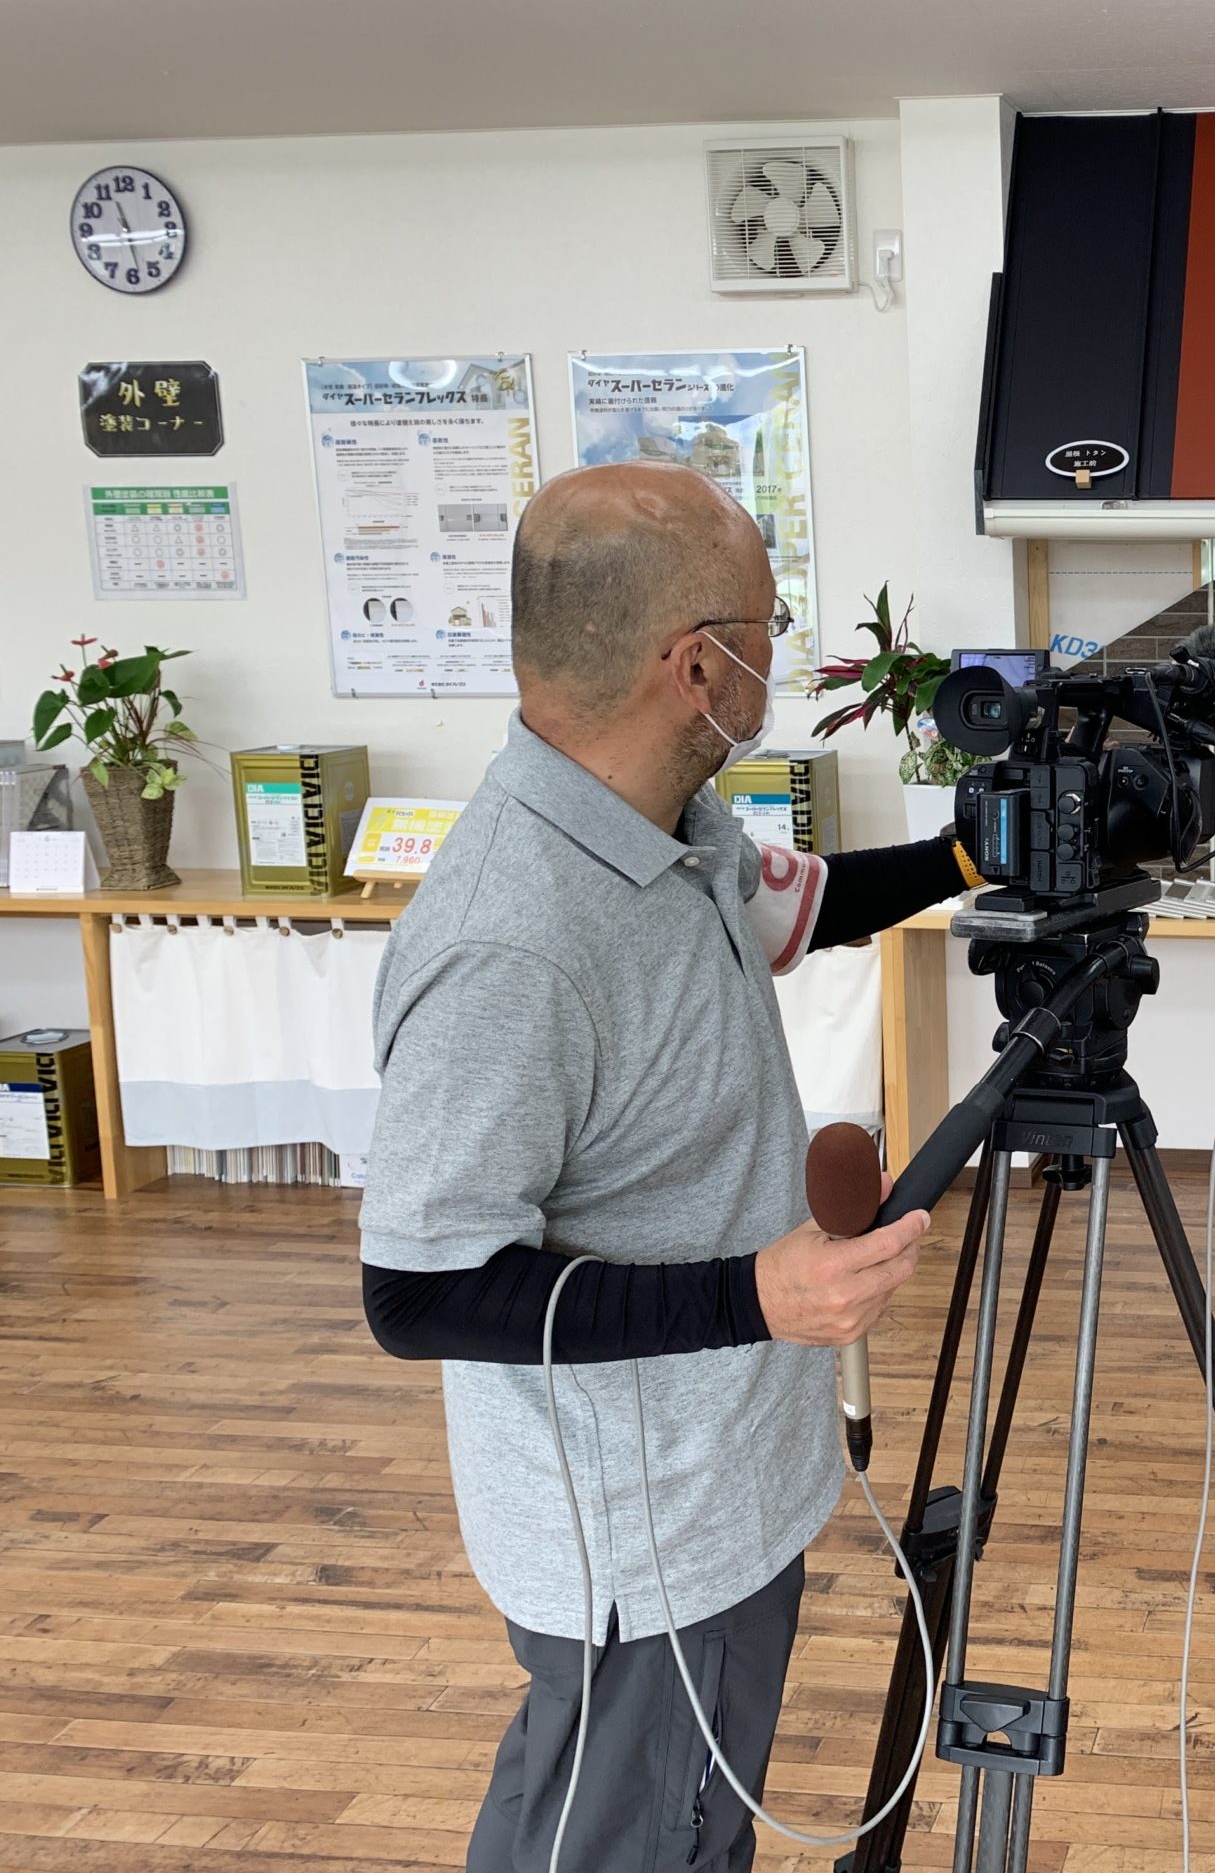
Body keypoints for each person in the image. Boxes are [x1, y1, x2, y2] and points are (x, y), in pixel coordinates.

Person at [359, 460, 971, 1873]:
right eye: (767, 629)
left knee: (657, 1823)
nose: (778, 658)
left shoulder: (665, 828)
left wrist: (970, 854)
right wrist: (756, 1296)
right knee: (631, 1839)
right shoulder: (512, 941)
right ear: (697, 667)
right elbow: (417, 1293)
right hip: (644, 1545)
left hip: (725, 1482)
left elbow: (804, 907)